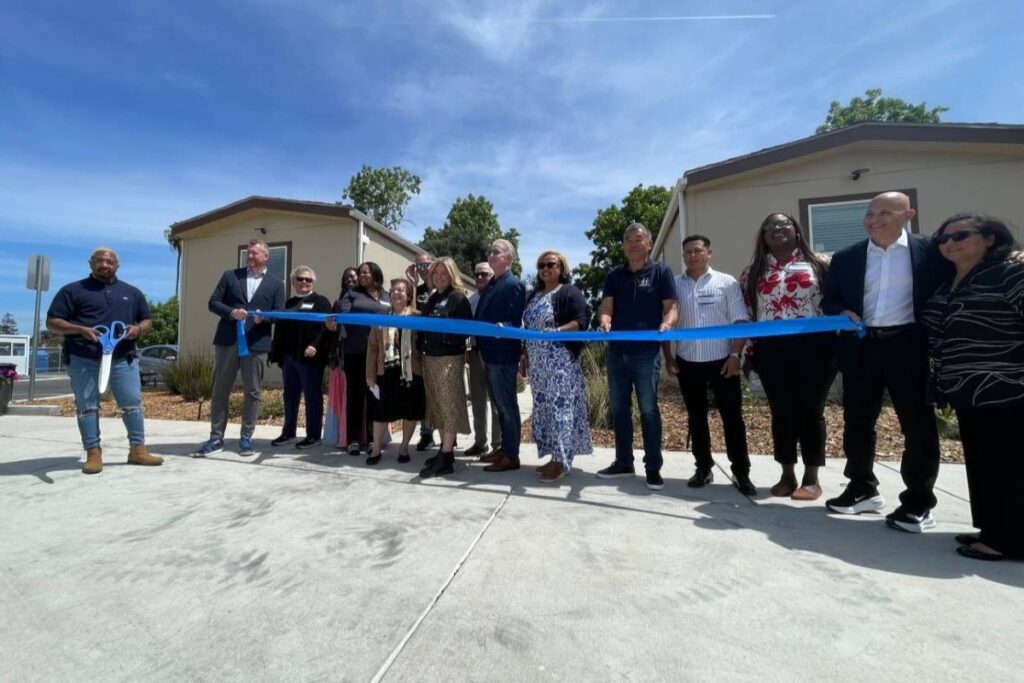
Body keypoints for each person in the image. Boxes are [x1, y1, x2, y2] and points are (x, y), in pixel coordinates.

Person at [821, 191, 949, 532]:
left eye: (884, 213)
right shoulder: (847, 258)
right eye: (870, 213)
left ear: (908, 214)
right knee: (858, 422)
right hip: (862, 346)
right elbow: (829, 300)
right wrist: (840, 312)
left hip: (909, 346)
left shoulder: (932, 254)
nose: (874, 219)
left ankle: (919, 501)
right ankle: (862, 488)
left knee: (917, 426)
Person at [922, 214, 1024, 560]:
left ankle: (1010, 541)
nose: (949, 243)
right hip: (966, 388)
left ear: (990, 239)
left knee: (1010, 465)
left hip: (1008, 386)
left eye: (960, 235)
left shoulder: (1011, 273)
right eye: (943, 239)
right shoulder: (948, 281)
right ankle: (992, 529)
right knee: (984, 463)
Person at [740, 214, 837, 500]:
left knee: (811, 411)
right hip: (772, 350)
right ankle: (786, 474)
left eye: (784, 225)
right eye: (770, 226)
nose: (777, 229)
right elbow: (749, 315)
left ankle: (811, 478)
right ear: (763, 235)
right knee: (781, 413)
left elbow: (838, 303)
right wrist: (749, 353)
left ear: (796, 230)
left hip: (816, 348)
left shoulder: (822, 264)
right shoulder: (752, 272)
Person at [46, 247, 164, 474]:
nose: (104, 265)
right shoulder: (72, 291)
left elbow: (147, 320)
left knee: (132, 403)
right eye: (99, 261)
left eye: (109, 262)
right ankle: (93, 453)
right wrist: (79, 329)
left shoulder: (132, 292)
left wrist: (137, 329)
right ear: (90, 264)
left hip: (123, 358)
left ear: (116, 265)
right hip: (83, 358)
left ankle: (138, 450)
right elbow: (52, 322)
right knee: (87, 406)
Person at [663, 235, 755, 495]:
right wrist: (669, 358)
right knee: (696, 417)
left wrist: (735, 356)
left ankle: (741, 473)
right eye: (687, 252)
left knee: (732, 418)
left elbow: (740, 320)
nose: (692, 255)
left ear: (709, 253)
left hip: (723, 360)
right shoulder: (675, 286)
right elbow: (667, 323)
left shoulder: (726, 283)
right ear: (683, 256)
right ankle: (703, 467)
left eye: (697, 251)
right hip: (688, 363)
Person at [596, 223, 678, 490]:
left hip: (646, 354)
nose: (632, 243)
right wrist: (605, 322)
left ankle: (653, 467)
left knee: (648, 410)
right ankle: (623, 462)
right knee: (619, 409)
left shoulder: (661, 272)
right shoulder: (614, 275)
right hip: (617, 354)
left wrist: (667, 325)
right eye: (627, 239)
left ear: (649, 244)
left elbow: (671, 308)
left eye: (638, 239)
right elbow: (606, 308)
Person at [194, 239, 286, 458]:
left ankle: (246, 437)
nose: (250, 256)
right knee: (220, 391)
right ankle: (216, 437)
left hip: (256, 344)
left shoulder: (276, 284)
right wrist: (231, 312)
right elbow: (213, 302)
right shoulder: (230, 276)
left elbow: (279, 315)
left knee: (252, 392)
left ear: (266, 257)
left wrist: (262, 320)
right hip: (228, 341)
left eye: (255, 253)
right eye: (248, 253)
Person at [522, 251, 592, 483]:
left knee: (561, 412)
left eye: (551, 264)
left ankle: (562, 461)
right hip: (539, 366)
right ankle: (554, 457)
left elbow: (582, 320)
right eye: (541, 265)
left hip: (560, 365)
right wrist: (525, 355)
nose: (545, 269)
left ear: (561, 268)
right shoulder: (535, 295)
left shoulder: (569, 292)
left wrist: (558, 330)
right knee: (546, 412)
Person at [417, 258, 473, 478]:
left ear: (451, 275)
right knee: (437, 407)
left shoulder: (458, 298)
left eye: (444, 273)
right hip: (430, 358)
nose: (439, 276)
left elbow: (466, 328)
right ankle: (445, 452)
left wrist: (447, 340)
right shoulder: (433, 298)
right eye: (436, 273)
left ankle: (446, 456)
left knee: (448, 406)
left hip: (448, 360)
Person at [475, 239, 527, 472]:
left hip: (504, 356)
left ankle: (512, 455)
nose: (491, 254)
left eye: (496, 251)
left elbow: (514, 322)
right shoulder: (491, 285)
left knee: (507, 406)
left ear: (509, 259)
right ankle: (504, 449)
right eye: (490, 251)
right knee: (498, 406)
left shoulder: (513, 285)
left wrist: (501, 326)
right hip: (489, 355)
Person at [267, 266, 333, 449]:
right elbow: (279, 330)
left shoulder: (321, 301)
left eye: (308, 280)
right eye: (300, 279)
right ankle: (288, 433)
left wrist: (314, 345)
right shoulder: (287, 304)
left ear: (313, 283)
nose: (304, 282)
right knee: (290, 396)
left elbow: (325, 328)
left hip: (310, 359)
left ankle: (313, 436)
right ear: (293, 282)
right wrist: (274, 355)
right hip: (289, 358)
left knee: (312, 397)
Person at [365, 278, 426, 465]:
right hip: (386, 371)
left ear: (408, 295)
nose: (396, 293)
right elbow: (373, 347)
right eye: (393, 290)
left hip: (411, 372)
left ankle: (404, 447)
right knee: (380, 411)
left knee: (410, 412)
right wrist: (370, 375)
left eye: (401, 290)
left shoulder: (418, 317)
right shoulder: (380, 317)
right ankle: (376, 448)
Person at [334, 261, 390, 455]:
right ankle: (354, 440)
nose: (362, 275)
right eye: (360, 273)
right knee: (356, 396)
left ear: (376, 273)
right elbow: (343, 315)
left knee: (375, 395)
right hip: (356, 352)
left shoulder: (386, 295)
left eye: (366, 272)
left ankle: (373, 437)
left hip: (380, 353)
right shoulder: (352, 294)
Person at [466, 262, 501, 457]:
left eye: (484, 274)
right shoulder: (471, 300)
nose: (480, 277)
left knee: (497, 403)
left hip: (495, 355)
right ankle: (480, 443)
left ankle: (498, 445)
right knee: (478, 401)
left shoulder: (499, 297)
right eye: (477, 274)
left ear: (493, 275)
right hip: (474, 353)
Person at [323, 267, 359, 449]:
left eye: (354, 276)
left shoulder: (366, 301)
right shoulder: (337, 303)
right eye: (347, 277)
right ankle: (344, 436)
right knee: (344, 396)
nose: (350, 279)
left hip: (361, 354)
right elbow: (332, 332)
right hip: (342, 355)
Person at [406, 252, 438, 452]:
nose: (423, 268)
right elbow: (412, 313)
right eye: (419, 266)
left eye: (426, 264)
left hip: (441, 348)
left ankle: (447, 433)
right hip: (420, 347)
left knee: (440, 393)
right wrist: (412, 283)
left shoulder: (444, 288)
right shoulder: (417, 290)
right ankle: (426, 434)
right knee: (424, 393)